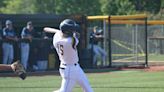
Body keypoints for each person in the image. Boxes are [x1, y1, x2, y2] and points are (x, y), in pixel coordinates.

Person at [44, 19, 93, 92]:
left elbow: (61, 34)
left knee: (88, 89)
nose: (74, 31)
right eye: (72, 30)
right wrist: (72, 34)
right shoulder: (70, 42)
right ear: (67, 32)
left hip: (75, 68)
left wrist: (62, 32)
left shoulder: (56, 38)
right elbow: (76, 37)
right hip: (70, 69)